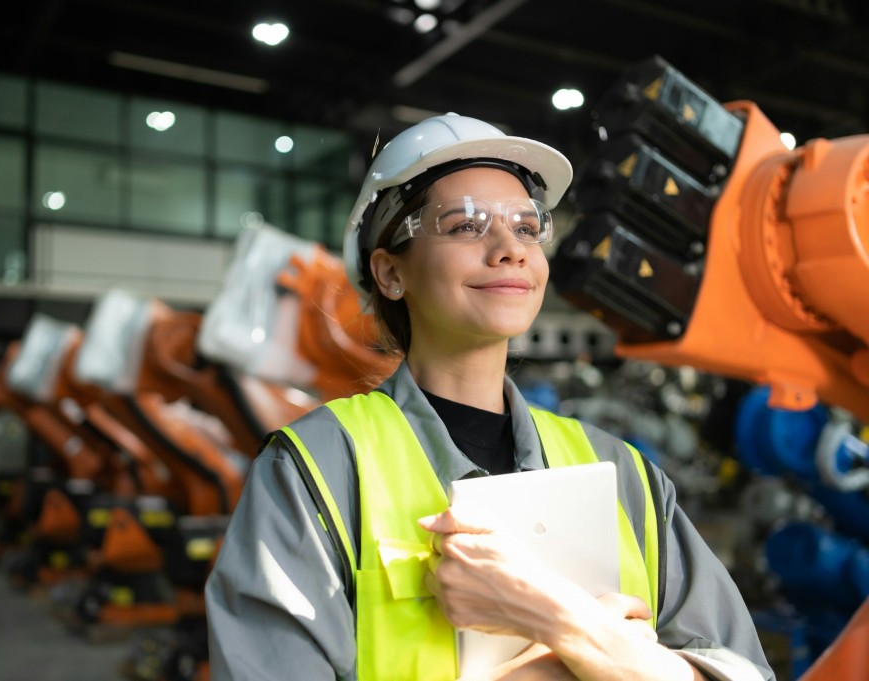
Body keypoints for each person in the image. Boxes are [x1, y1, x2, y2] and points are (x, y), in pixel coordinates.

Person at [205, 112, 774, 681]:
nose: (510, 249)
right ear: (389, 272)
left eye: (527, 227)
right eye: (465, 226)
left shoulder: (624, 475)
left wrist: (564, 623)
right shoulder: (317, 474)